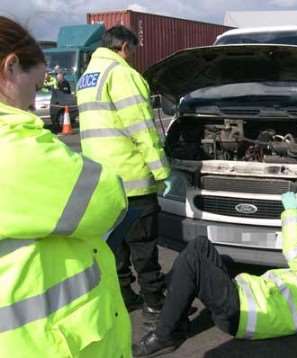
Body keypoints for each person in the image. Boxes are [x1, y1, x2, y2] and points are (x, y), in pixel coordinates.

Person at [0, 16, 132, 357]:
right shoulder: (17, 149)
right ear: (11, 68)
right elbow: (109, 200)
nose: (37, 95)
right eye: (36, 82)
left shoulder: (89, 77)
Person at [133, 192, 297, 357]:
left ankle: (164, 335)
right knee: (201, 248)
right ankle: (176, 315)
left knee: (194, 254)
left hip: (241, 310)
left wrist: (291, 211)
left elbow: (295, 248)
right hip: (249, 315)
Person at [76, 26, 171, 331]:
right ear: (125, 47)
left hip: (103, 182)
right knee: (144, 247)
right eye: (135, 49)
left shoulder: (87, 78)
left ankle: (124, 295)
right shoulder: (122, 74)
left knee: (115, 246)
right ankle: (156, 305)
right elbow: (143, 129)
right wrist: (162, 171)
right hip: (133, 179)